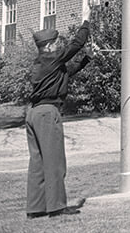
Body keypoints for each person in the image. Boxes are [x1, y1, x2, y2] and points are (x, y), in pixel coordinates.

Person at [25, 21, 94, 218]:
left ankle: (35, 208)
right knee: (55, 161)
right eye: (55, 43)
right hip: (48, 113)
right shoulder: (50, 59)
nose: (57, 46)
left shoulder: (43, 64)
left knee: (37, 163)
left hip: (34, 114)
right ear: (47, 46)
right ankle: (56, 207)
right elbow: (75, 44)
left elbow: (67, 72)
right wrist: (86, 22)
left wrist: (86, 60)